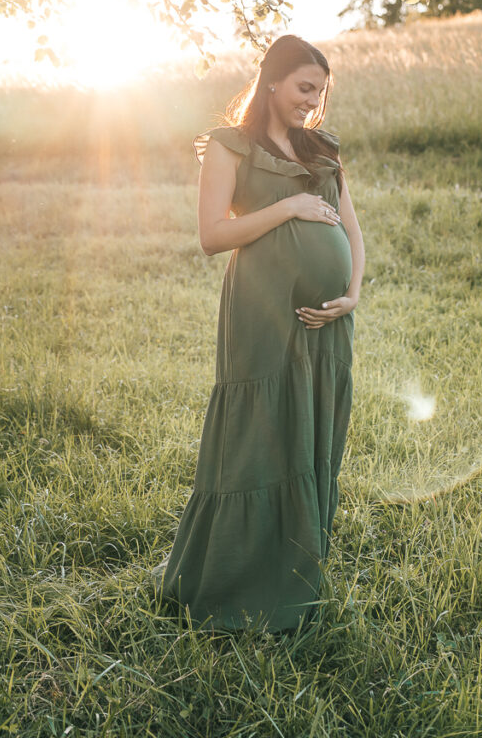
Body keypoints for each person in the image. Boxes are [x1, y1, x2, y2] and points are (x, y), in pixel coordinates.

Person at [151, 34, 365, 633]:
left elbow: (352, 228)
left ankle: (296, 574)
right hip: (261, 313)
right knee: (258, 436)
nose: (312, 102)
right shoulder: (230, 146)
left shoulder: (322, 149)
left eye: (320, 92)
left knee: (312, 433)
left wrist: (352, 293)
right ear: (272, 81)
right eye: (304, 88)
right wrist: (289, 209)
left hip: (326, 324)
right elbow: (214, 235)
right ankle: (235, 581)